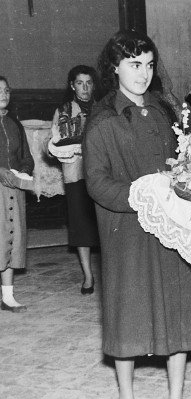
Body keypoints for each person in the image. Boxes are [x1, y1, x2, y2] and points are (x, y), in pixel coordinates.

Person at [83, 30, 191, 399]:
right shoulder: (103, 118)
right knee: (128, 310)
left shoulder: (165, 111)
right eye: (134, 64)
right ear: (114, 67)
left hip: (173, 226)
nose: (143, 73)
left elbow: (181, 164)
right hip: (128, 228)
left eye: (149, 65)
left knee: (179, 306)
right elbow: (98, 184)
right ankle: (127, 396)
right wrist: (144, 195)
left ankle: (176, 396)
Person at [48, 65, 100, 295]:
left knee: (104, 225)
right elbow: (53, 144)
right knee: (80, 226)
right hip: (75, 174)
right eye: (80, 83)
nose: (85, 88)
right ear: (72, 85)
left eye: (89, 82)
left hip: (101, 175)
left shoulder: (103, 109)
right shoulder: (64, 110)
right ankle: (88, 276)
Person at [0, 75, 34, 312]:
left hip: (14, 188)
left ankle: (8, 296)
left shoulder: (15, 124)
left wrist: (23, 170)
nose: (3, 94)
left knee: (12, 239)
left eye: (6, 90)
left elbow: (27, 157)